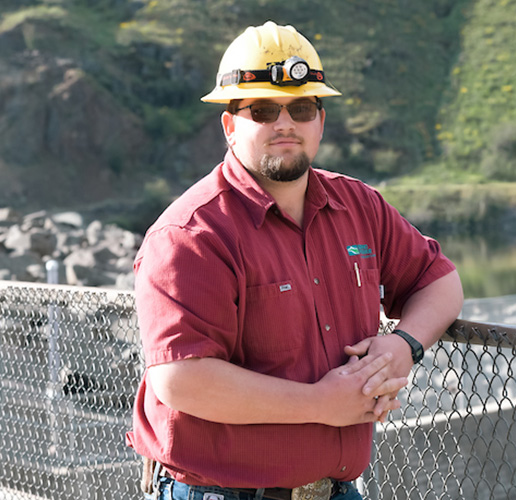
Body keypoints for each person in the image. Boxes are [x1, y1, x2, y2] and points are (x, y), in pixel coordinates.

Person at [126, 20, 463, 500]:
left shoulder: (359, 206)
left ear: (320, 122)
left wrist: (402, 346)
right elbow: (182, 379)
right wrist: (321, 403)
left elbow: (440, 281)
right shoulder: (191, 234)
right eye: (263, 109)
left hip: (335, 489)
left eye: (302, 108)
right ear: (230, 125)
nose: (285, 124)